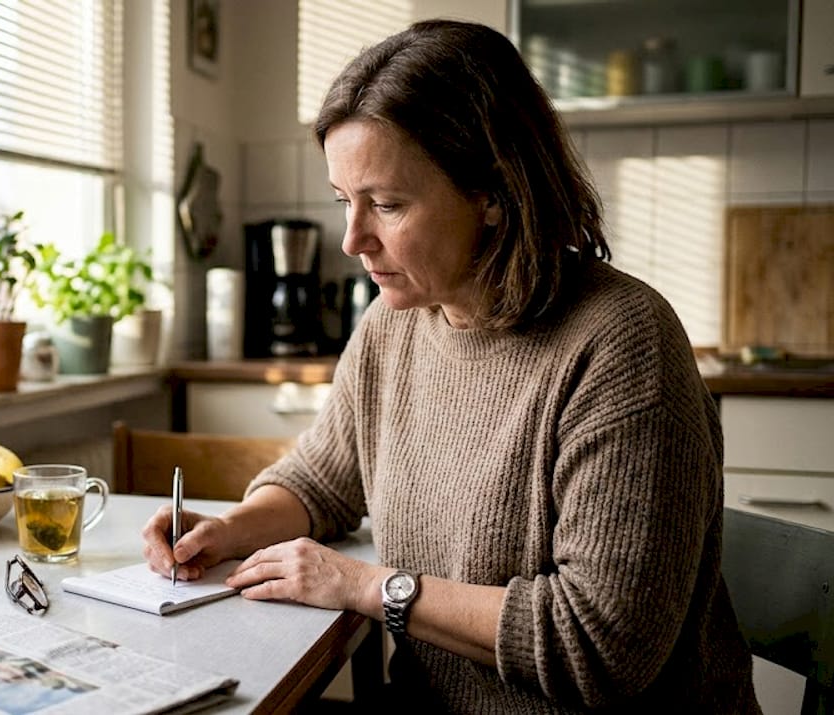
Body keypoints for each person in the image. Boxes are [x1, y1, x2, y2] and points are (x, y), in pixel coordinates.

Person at [141, 18, 760, 713]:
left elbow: (599, 645)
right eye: (346, 201)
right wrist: (230, 527)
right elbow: (319, 482)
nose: (352, 239)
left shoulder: (622, 345)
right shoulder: (392, 325)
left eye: (388, 204)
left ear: (491, 193)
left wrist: (365, 584)